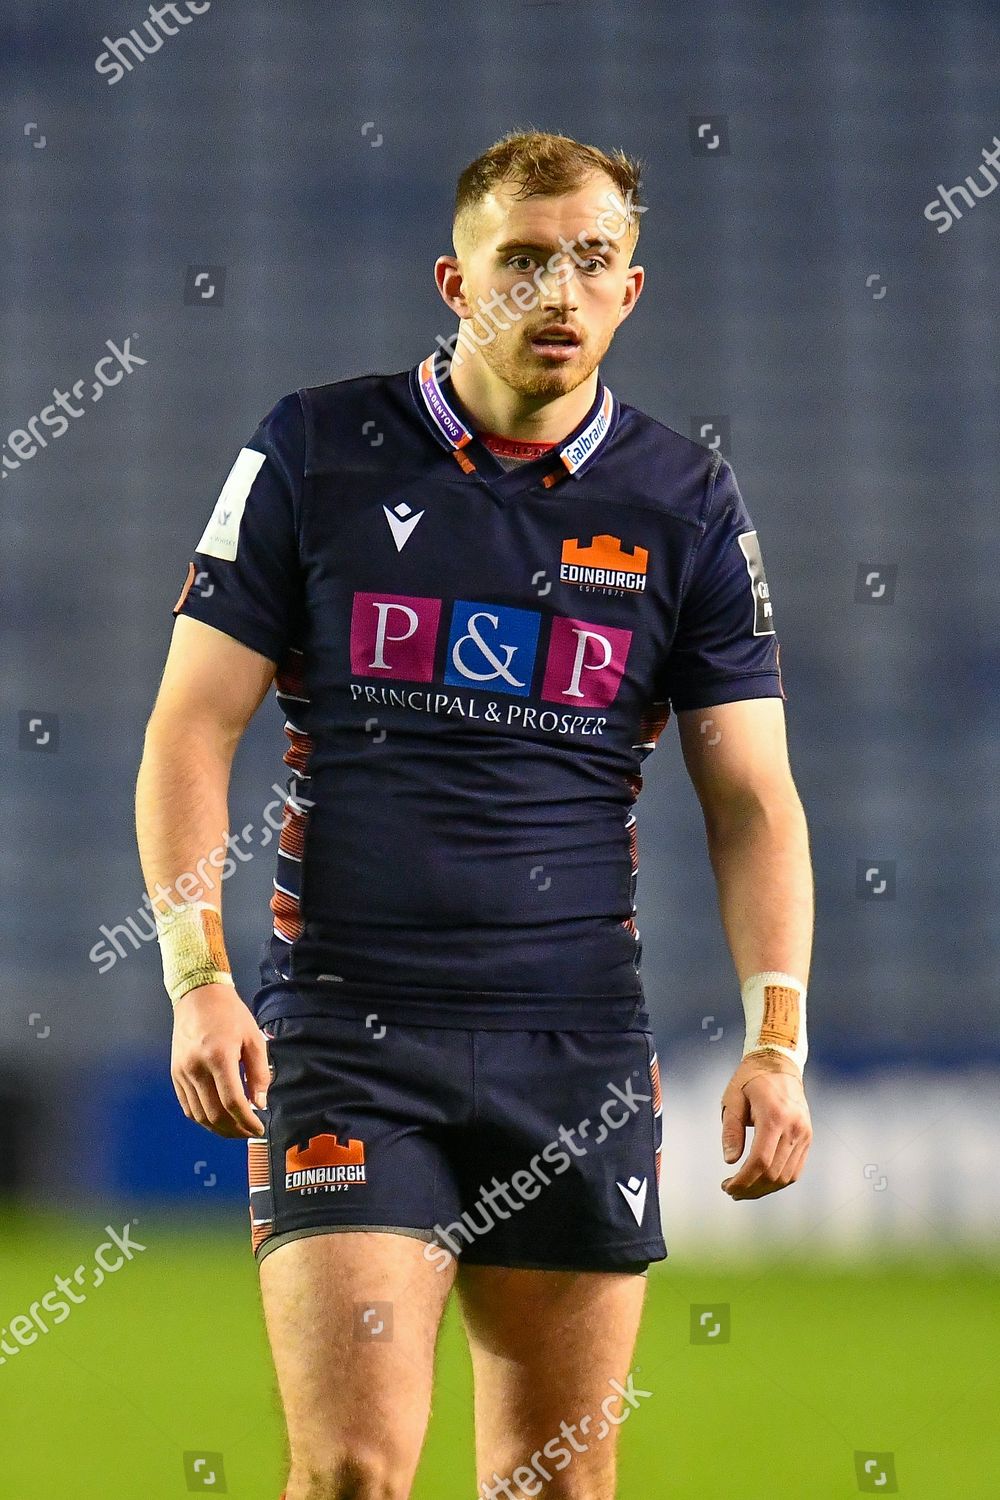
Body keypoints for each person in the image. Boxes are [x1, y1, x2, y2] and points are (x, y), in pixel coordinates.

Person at [135, 129, 814, 1500]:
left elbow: (750, 797)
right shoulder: (316, 450)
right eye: (523, 260)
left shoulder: (684, 503)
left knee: (555, 1485)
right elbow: (189, 727)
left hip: (573, 1046)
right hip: (348, 1034)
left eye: (593, 260)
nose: (558, 290)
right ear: (456, 278)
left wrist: (778, 1038)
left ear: (635, 289)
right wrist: (196, 975)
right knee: (353, 1473)